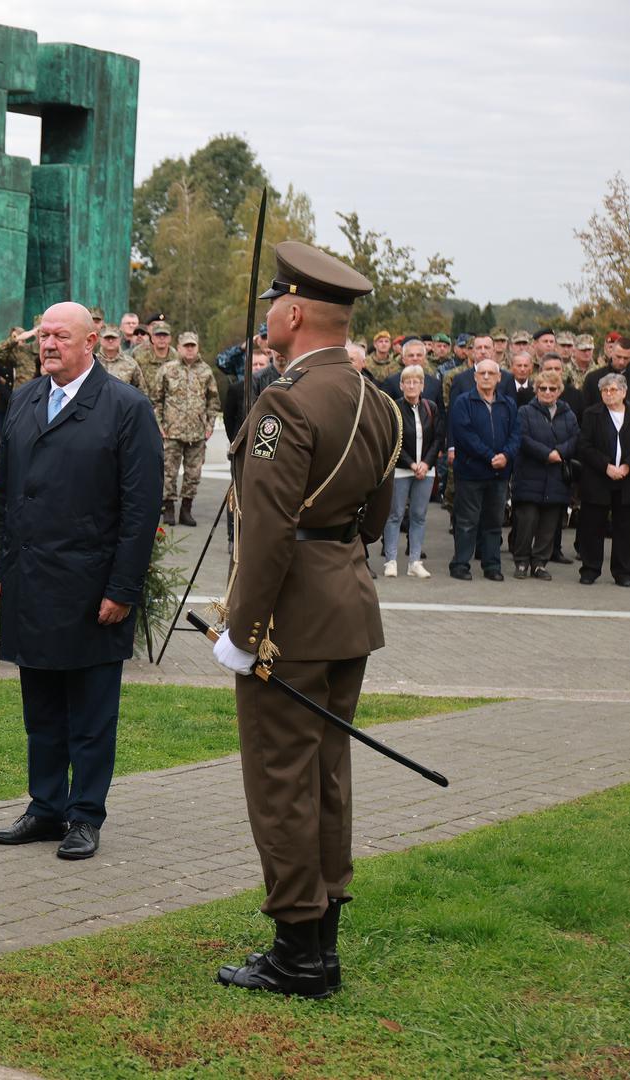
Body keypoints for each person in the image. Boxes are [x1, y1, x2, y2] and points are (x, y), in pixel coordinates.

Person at [209, 241, 400, 1001]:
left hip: (287, 618)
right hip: (346, 605)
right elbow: (374, 520)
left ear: (291, 313)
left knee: (282, 780)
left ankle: (295, 953)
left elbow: (265, 527)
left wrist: (241, 629)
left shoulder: (283, 403)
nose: (266, 320)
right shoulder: (378, 401)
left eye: (270, 308)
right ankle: (320, 946)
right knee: (326, 774)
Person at [0, 299, 163, 863]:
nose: (47, 344)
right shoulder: (24, 399)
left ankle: (84, 814)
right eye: (43, 335)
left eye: (60, 335)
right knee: (40, 707)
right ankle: (45, 806)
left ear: (92, 342)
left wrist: (122, 589)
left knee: (89, 712)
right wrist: (1, 570)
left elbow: (140, 511)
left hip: (90, 587)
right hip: (31, 580)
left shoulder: (125, 407)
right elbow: (3, 494)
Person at [449, 359, 519, 580]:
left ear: (499, 378)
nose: (487, 376)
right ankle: (460, 565)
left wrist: (506, 455)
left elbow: (516, 434)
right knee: (467, 522)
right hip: (471, 473)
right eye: (482, 373)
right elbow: (465, 435)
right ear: (475, 376)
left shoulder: (508, 404)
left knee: (493, 523)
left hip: (499, 475)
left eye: (491, 373)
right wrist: (491, 457)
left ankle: (492, 566)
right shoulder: (463, 402)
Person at [510, 371, 579, 580]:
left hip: (557, 477)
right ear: (536, 389)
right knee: (527, 521)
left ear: (559, 391)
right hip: (530, 474)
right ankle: (521, 561)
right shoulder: (524, 412)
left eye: (552, 388)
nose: (547, 392)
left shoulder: (568, 414)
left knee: (549, 525)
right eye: (543, 388)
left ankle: (539, 563)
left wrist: (560, 452)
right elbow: (522, 437)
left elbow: (576, 437)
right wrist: (546, 454)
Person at [152, 330, 221, 527]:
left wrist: (208, 425)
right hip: (171, 431)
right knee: (168, 472)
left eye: (193, 346)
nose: (190, 350)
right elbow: (156, 399)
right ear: (179, 347)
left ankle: (186, 509)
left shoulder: (206, 371)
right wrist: (159, 425)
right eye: (186, 346)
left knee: (193, 474)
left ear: (197, 347)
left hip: (197, 433)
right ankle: (169, 508)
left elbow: (213, 401)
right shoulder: (167, 369)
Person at [380, 365, 438, 579]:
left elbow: (437, 438)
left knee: (419, 516)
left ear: (422, 385)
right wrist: (412, 464)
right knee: (395, 515)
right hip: (402, 470)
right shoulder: (394, 408)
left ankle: (414, 561)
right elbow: (395, 440)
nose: (412, 386)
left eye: (416, 382)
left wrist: (426, 463)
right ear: (401, 385)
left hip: (426, 470)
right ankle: (391, 560)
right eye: (408, 382)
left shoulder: (431, 407)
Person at [576, 373, 630, 586]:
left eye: (613, 390)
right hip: (598, 477)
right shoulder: (592, 414)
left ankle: (623, 571)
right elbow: (584, 445)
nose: (609, 394)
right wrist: (606, 466)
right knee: (592, 525)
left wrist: (626, 465)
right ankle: (590, 569)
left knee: (625, 528)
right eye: (605, 390)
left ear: (624, 392)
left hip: (626, 480)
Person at [0, 321, 40, 437]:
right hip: (22, 404)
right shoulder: (24, 352)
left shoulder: (56, 351)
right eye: (41, 332)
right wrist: (16, 339)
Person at [224, 350, 270, 441]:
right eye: (254, 364)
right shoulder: (236, 388)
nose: (258, 367)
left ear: (268, 367)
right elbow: (229, 418)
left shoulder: (273, 386)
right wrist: (235, 440)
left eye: (261, 364)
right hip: (243, 440)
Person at [97, 325, 147, 394]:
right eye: (107, 338)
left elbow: (141, 391)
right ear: (100, 339)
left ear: (120, 339)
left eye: (114, 338)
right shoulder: (91, 362)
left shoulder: (131, 364)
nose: (110, 340)